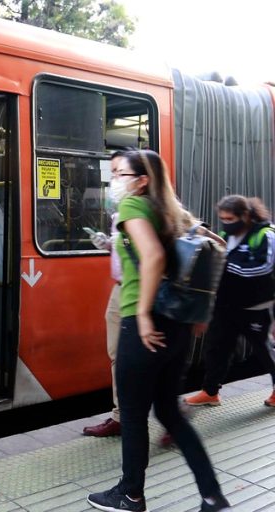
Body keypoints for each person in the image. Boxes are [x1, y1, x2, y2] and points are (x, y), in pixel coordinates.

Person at [86, 149, 230, 512]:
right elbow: (217, 247)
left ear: (142, 179)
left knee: (133, 414)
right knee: (169, 413)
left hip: (144, 322)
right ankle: (212, 496)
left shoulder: (134, 208)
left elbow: (152, 257)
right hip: (177, 324)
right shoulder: (172, 213)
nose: (113, 180)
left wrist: (145, 316)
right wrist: (200, 312)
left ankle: (130, 493)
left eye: (120, 174)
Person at [185, 195, 275, 408]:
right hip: (227, 305)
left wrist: (232, 267)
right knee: (217, 347)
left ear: (245, 215)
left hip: (255, 305)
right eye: (223, 218)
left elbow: (266, 266)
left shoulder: (266, 233)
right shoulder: (229, 233)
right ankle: (210, 392)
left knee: (263, 349)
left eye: (230, 218)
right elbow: (224, 257)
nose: (226, 222)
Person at [83, 150, 128, 437]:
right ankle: (121, 415)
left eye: (119, 173)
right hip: (121, 287)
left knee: (137, 357)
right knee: (117, 354)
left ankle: (170, 413)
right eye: (111, 172)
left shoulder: (144, 208)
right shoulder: (122, 209)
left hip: (138, 290)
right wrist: (111, 243)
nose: (113, 179)